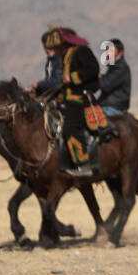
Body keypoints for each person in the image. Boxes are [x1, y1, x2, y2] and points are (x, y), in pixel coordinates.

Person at [40, 26, 101, 177]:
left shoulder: (81, 51)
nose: (55, 50)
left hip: (81, 100)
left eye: (57, 46)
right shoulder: (65, 55)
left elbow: (93, 69)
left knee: (70, 128)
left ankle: (83, 164)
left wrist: (73, 77)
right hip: (67, 101)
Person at [97, 38, 131, 117]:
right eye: (107, 50)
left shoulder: (120, 67)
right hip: (108, 106)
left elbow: (105, 85)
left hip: (113, 107)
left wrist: (99, 77)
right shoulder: (114, 67)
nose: (108, 53)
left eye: (111, 50)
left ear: (120, 52)